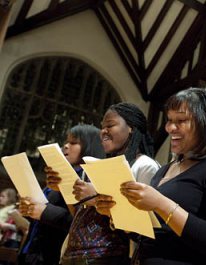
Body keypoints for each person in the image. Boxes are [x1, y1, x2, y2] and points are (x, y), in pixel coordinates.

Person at [96, 88, 206, 265]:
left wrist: (161, 204)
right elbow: (148, 236)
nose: (170, 128)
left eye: (181, 120)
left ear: (205, 123)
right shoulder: (165, 169)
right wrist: (117, 214)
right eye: (169, 120)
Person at [50, 103, 159, 265]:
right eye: (102, 127)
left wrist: (95, 197)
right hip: (73, 255)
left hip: (112, 257)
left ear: (131, 128)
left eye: (110, 125)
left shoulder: (145, 165)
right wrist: (66, 189)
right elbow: (78, 215)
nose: (104, 131)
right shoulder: (96, 166)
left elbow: (144, 224)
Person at [18, 124, 105, 265]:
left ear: (91, 146)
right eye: (66, 141)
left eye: (73, 142)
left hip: (55, 255)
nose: (65, 146)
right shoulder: (58, 177)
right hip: (33, 252)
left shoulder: (89, 181)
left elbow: (82, 223)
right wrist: (29, 208)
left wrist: (45, 211)